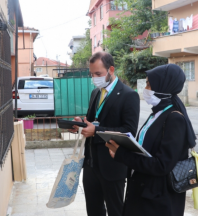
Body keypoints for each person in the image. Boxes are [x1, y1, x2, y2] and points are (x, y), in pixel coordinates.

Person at [105, 64, 197, 216]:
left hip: (158, 200)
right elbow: (144, 149)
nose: (145, 88)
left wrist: (122, 154)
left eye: (149, 84)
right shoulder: (157, 113)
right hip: (143, 191)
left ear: (163, 86)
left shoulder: (174, 119)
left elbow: (161, 165)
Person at [69, 52, 140, 216]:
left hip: (112, 166)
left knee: (115, 211)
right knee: (93, 211)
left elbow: (128, 131)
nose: (95, 78)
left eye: (98, 74)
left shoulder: (129, 95)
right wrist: (81, 124)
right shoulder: (96, 92)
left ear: (111, 69)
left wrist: (97, 131)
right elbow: (94, 121)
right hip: (91, 164)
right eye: (92, 74)